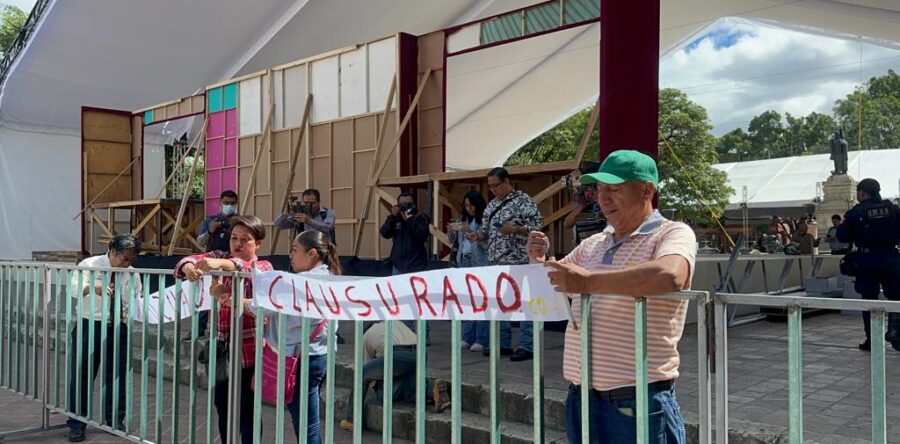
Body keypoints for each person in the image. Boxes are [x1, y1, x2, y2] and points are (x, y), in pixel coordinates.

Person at [528, 149, 696, 443]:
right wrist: (538, 262)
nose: (602, 198)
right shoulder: (594, 242)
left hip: (636, 399)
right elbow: (562, 284)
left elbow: (670, 275)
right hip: (582, 396)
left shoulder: (673, 233)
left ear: (647, 190)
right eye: (600, 189)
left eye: (614, 189)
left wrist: (589, 281)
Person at [224, 230, 338, 443]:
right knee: (308, 421)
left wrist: (227, 297)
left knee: (305, 424)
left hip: (298, 359)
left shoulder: (296, 284)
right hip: (320, 355)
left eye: (295, 251)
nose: (290, 256)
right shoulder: (331, 277)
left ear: (312, 254)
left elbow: (261, 309)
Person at [174, 215, 273, 444]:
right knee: (223, 406)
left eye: (245, 240)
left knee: (248, 409)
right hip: (221, 350)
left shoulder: (265, 267)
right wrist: (190, 268)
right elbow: (189, 259)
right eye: (233, 238)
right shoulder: (220, 256)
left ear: (257, 243)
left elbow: (242, 268)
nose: (237, 244)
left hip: (251, 350)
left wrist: (223, 291)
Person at [67, 234, 142, 442]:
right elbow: (73, 288)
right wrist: (93, 287)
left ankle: (115, 420)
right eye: (124, 258)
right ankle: (76, 422)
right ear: (112, 251)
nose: (126, 264)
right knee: (82, 374)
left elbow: (136, 297)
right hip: (90, 324)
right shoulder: (89, 264)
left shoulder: (132, 273)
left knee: (116, 376)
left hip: (119, 326)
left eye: (131, 259)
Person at [471, 167, 543, 361]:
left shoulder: (523, 201)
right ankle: (502, 343)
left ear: (506, 181)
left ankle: (527, 345)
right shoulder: (492, 205)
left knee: (525, 304)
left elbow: (537, 225)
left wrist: (515, 229)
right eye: (490, 187)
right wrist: (476, 235)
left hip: (519, 261)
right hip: (495, 263)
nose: (494, 190)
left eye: (496, 185)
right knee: (499, 304)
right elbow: (484, 230)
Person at [339, 320, 450, 432]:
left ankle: (352, 420)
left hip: (396, 354)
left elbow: (367, 371)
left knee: (360, 375)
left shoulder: (366, 336)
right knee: (411, 392)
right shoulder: (394, 323)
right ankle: (432, 390)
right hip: (419, 351)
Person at [835, 178, 900, 351]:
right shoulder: (893, 210)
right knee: (896, 298)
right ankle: (896, 332)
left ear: (863, 193)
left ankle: (872, 339)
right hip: (890, 258)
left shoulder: (856, 212)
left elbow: (842, 236)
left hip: (866, 261)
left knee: (869, 300)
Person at [380, 192, 432, 337]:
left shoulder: (420, 218)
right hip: (399, 264)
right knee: (400, 300)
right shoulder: (395, 219)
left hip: (417, 265)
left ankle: (423, 333)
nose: (405, 207)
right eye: (402, 204)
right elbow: (384, 233)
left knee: (419, 301)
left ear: (413, 205)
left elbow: (423, 234)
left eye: (408, 204)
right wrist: (393, 216)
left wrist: (410, 219)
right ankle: (407, 333)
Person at [448, 189, 490, 352]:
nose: (469, 208)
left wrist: (469, 231)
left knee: (481, 301)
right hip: (463, 260)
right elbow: (452, 241)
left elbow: (486, 243)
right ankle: (467, 336)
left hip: (479, 262)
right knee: (468, 301)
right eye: (466, 205)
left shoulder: (484, 221)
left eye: (472, 205)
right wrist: (452, 231)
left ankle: (481, 338)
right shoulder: (463, 219)